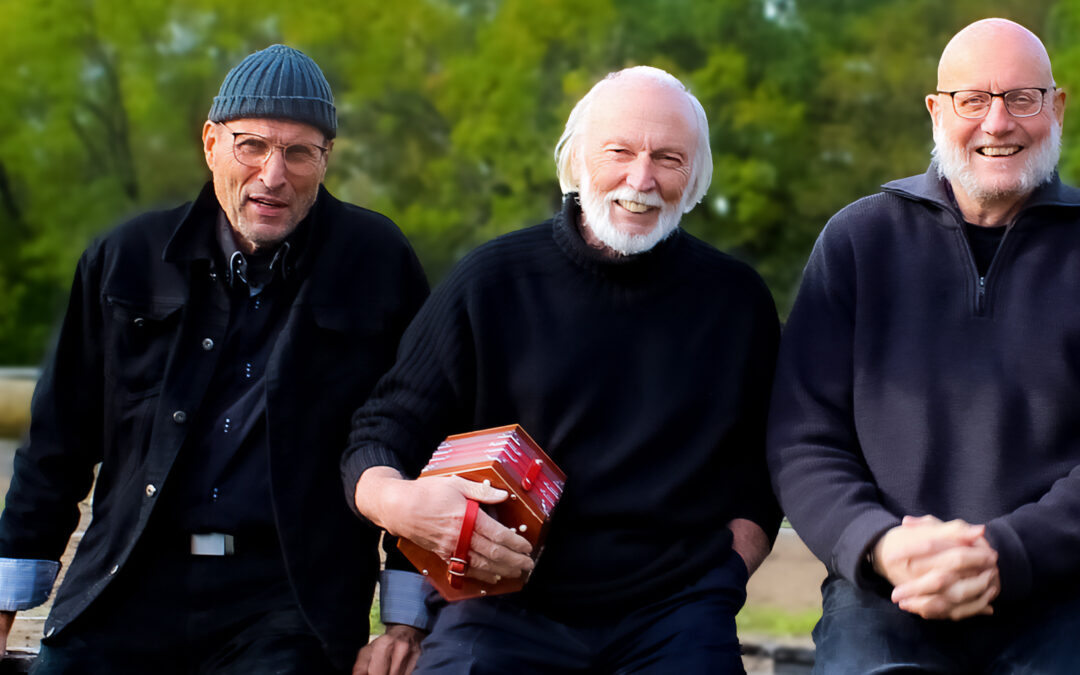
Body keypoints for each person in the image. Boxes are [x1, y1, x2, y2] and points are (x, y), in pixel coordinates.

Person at [0, 45, 431, 674]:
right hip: (129, 578)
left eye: (299, 152)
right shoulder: (126, 257)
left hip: (289, 595)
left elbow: (418, 433)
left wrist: (405, 619)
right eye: (251, 145)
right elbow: (57, 439)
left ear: (326, 160)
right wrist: (9, 597)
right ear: (210, 144)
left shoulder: (377, 261)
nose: (272, 174)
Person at [342, 66, 782, 674]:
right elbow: (382, 432)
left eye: (670, 159)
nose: (641, 178)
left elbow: (767, 471)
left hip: (674, 612)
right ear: (575, 161)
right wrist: (401, 505)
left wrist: (726, 576)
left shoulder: (738, 302)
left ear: (697, 177)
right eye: (619, 152)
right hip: (499, 606)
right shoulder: (490, 282)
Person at [768, 17, 1080, 673]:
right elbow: (802, 435)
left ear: (1056, 106)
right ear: (937, 110)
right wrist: (876, 544)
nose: (998, 123)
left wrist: (1007, 551)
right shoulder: (858, 242)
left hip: (1062, 591)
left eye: (1022, 98)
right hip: (884, 595)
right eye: (974, 99)